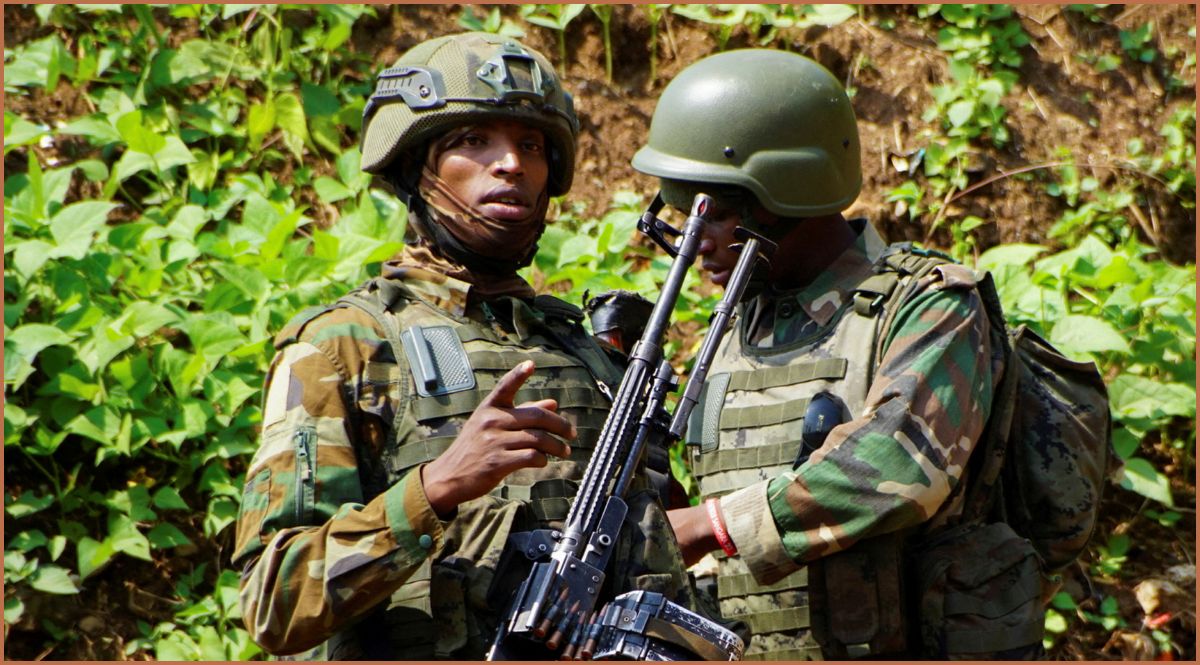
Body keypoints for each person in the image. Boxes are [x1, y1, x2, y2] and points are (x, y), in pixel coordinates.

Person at [233, 32, 694, 660]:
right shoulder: (348, 346)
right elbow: (273, 602)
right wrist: (435, 489)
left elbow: (660, 578)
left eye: (531, 146)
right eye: (474, 141)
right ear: (414, 166)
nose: (511, 165)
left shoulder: (587, 357)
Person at [631, 49, 1025, 659]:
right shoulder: (738, 324)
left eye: (717, 215)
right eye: (684, 216)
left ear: (790, 195)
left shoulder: (929, 304)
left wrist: (713, 524)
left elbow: (900, 467)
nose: (695, 242)